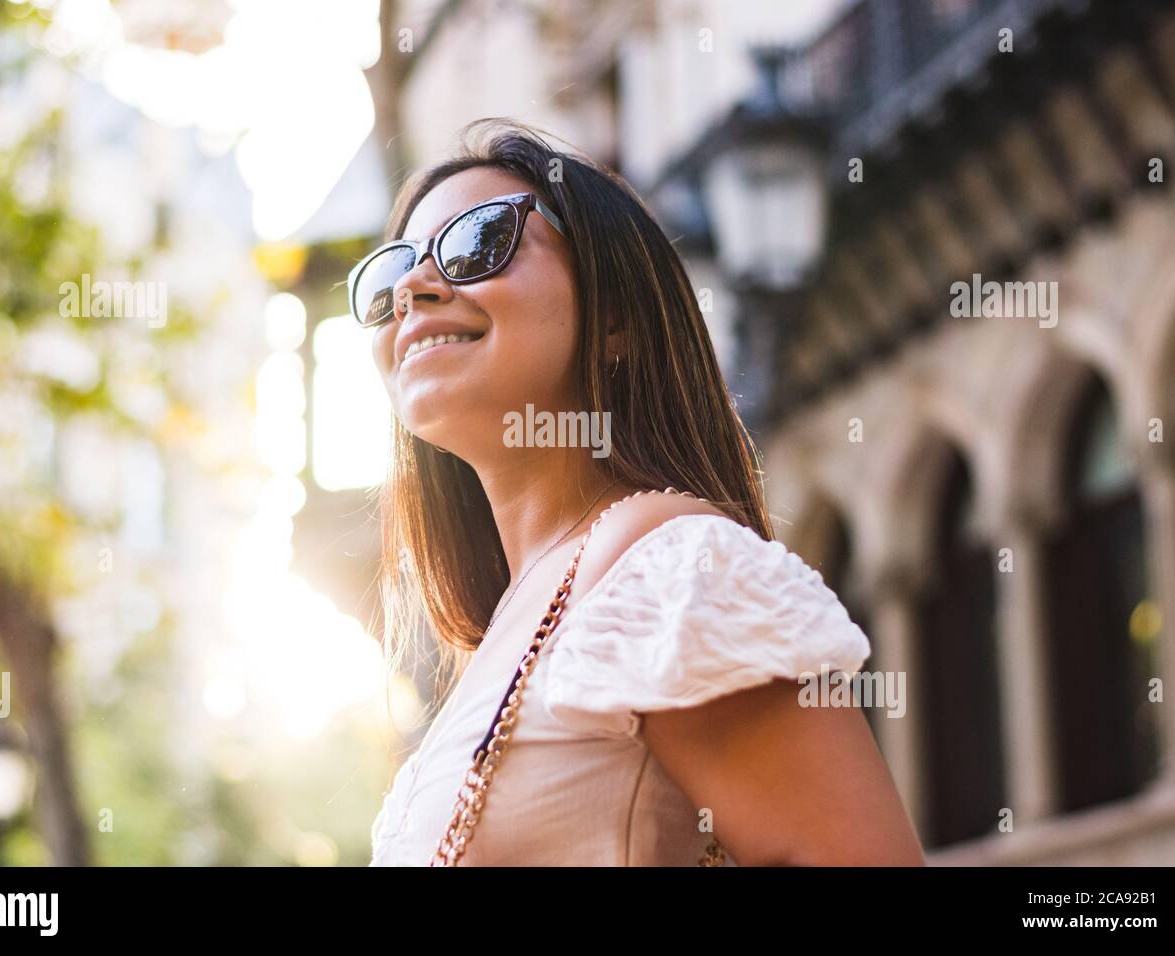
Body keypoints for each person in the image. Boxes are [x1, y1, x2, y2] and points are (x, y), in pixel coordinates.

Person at [355, 118, 924, 866]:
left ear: (615, 316)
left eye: (476, 242)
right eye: (392, 272)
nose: (415, 290)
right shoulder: (500, 635)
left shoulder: (665, 565)